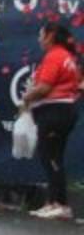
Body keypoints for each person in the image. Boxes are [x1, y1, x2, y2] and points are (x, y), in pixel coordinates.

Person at [22, 21, 81, 220]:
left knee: (51, 157)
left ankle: (60, 204)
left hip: (55, 112)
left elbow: (45, 87)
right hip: (62, 111)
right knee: (53, 157)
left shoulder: (55, 56)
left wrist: (27, 96)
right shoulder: (66, 56)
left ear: (49, 36)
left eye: (41, 35)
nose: (39, 39)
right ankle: (53, 202)